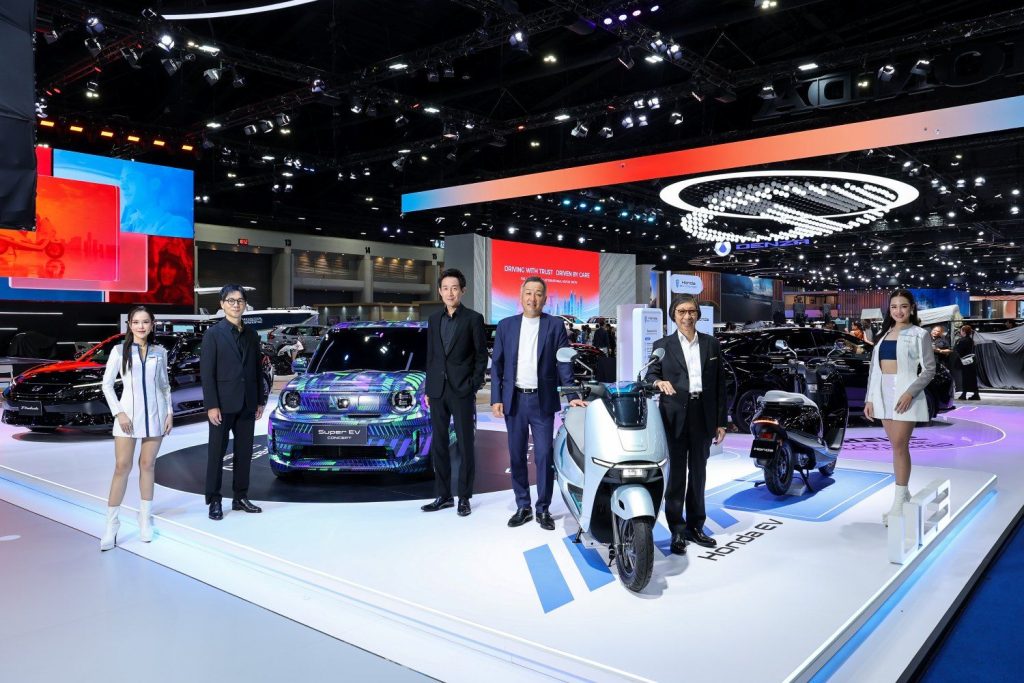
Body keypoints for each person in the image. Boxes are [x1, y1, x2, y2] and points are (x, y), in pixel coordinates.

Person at [491, 277, 584, 530]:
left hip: (542, 401)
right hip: (514, 400)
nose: (533, 298)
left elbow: (563, 362)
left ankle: (543, 508)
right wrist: (496, 398)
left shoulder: (554, 325)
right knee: (516, 455)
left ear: (544, 298)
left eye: (538, 294)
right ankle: (523, 505)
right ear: (521, 296)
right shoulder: (506, 326)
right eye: (529, 293)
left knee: (544, 456)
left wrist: (572, 395)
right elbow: (497, 364)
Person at [646, 295, 728, 555]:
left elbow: (720, 384)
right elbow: (650, 374)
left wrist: (721, 422)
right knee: (677, 475)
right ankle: (677, 530)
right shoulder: (662, 345)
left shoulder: (711, 344)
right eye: (681, 311)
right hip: (674, 416)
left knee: (699, 473)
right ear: (674, 315)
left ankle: (696, 526)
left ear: (698, 314)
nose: (687, 316)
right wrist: (658, 382)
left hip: (703, 414)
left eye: (691, 311)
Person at [99, 306, 172, 550]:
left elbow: (164, 386)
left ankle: (144, 518)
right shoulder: (119, 351)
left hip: (155, 416)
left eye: (145, 322)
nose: (141, 326)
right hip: (127, 418)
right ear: (129, 325)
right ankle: (112, 524)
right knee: (122, 466)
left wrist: (169, 413)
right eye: (136, 322)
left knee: (147, 465)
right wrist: (118, 412)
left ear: (152, 324)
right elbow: (107, 385)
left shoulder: (160, 352)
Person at [864, 290, 936, 527]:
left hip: (905, 395)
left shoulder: (920, 334)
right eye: (894, 306)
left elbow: (929, 370)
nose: (898, 311)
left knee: (899, 445)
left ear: (912, 308)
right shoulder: (883, 335)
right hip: (882, 394)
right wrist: (869, 399)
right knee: (895, 447)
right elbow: (874, 370)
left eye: (903, 306)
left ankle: (898, 502)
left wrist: (910, 392)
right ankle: (903, 496)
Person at [422, 268, 488, 517]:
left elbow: (481, 356)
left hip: (461, 390)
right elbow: (431, 356)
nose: (450, 293)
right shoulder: (433, 319)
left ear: (463, 291)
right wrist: (428, 388)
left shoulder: (473, 318)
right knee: (439, 444)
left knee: (464, 445)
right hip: (437, 391)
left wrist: (473, 385)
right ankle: (443, 496)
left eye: (454, 288)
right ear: (440, 292)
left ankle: (464, 497)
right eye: (445, 288)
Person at [201, 285, 268, 520]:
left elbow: (257, 369)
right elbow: (207, 373)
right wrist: (211, 405)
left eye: (240, 300)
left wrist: (259, 400)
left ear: (245, 304)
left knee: (244, 453)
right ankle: (214, 500)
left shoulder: (251, 335)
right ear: (222, 304)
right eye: (231, 300)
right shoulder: (213, 334)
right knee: (216, 454)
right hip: (221, 405)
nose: (236, 305)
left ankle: (240, 497)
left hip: (247, 403)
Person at [954, 324, 981, 401]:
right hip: (971, 361)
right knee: (972, 378)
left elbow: (958, 350)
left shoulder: (962, 340)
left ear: (964, 331)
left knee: (965, 378)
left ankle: (964, 394)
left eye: (961, 330)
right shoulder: (971, 340)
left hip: (965, 362)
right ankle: (975, 394)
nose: (960, 332)